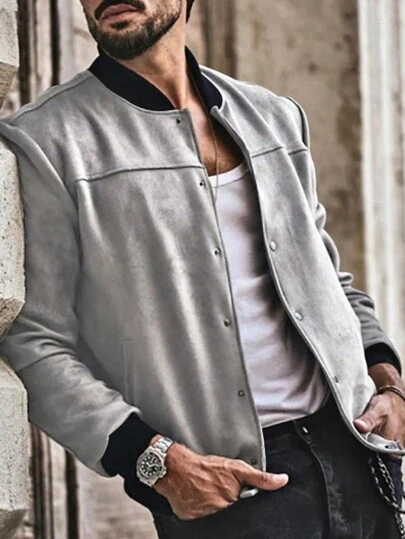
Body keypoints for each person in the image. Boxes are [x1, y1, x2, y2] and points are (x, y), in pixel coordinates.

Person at [1, 0, 405, 537]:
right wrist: (154, 461)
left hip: (359, 455)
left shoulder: (273, 116)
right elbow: (35, 339)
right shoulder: (47, 141)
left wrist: (390, 384)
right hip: (230, 491)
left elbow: (330, 281)